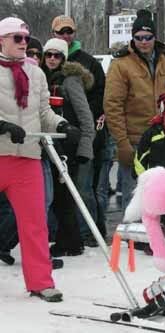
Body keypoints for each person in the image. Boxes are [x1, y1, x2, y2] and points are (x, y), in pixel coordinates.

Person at [0, 17, 79, 302]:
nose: (23, 43)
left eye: (25, 38)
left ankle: (40, 282)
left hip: (28, 157)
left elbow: (44, 112)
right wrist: (4, 126)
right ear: (1, 41)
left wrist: (62, 126)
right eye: (16, 38)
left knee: (35, 223)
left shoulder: (36, 74)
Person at [105, 9, 165, 212]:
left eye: (148, 37)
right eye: (138, 37)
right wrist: (122, 143)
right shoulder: (121, 65)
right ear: (132, 38)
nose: (143, 42)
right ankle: (134, 241)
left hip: (164, 140)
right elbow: (112, 105)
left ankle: (159, 240)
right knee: (135, 198)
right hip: (135, 141)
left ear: (155, 37)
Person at [51, 15, 107, 245]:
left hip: (82, 133)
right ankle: (58, 233)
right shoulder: (48, 61)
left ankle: (90, 233)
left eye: (70, 31)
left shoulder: (87, 62)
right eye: (61, 31)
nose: (66, 35)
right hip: (55, 135)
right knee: (57, 192)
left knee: (84, 187)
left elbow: (100, 95)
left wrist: (82, 120)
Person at [41, 38, 95, 257]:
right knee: (55, 196)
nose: (52, 59)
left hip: (68, 145)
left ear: (64, 58)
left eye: (57, 55)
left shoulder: (70, 81)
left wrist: (84, 149)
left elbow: (85, 117)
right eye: (49, 55)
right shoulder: (43, 77)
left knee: (64, 196)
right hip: (50, 144)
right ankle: (68, 239)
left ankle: (71, 242)